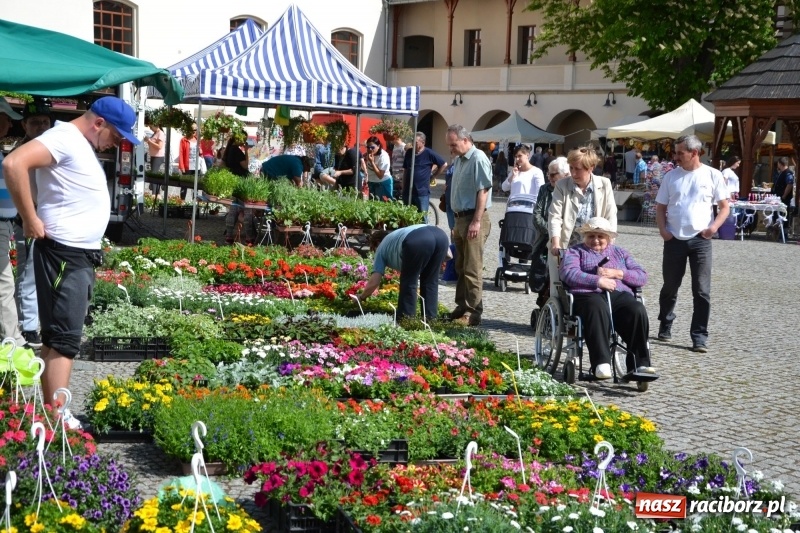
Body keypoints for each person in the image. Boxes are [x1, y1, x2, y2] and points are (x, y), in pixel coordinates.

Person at [4, 96, 140, 426]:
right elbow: (14, 164)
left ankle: (53, 415)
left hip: (74, 252)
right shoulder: (63, 137)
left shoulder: (73, 140)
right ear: (99, 124)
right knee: (64, 339)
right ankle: (58, 419)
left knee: (57, 337)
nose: (119, 142)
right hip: (65, 252)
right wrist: (30, 217)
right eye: (117, 135)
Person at [655, 134, 729, 353]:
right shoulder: (671, 177)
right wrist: (663, 231)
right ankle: (665, 322)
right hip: (674, 239)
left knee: (701, 290)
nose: (676, 157)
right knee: (670, 286)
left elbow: (724, 206)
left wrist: (713, 228)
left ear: (694, 153)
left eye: (680, 153)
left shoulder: (713, 175)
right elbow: (660, 207)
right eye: (676, 152)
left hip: (701, 240)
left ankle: (699, 336)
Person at [560, 217, 654, 379]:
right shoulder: (575, 252)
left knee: (636, 309)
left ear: (609, 238)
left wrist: (619, 273)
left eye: (600, 236)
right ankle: (601, 363)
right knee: (597, 307)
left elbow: (642, 276)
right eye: (591, 236)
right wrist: (597, 280)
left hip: (617, 294)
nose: (596, 240)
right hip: (587, 295)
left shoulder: (621, 253)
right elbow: (568, 273)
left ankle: (640, 363)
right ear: (584, 237)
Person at [548, 147, 617, 293]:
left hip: (595, 248)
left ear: (591, 168)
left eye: (578, 169)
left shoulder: (604, 185)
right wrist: (555, 242)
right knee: (561, 289)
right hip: (568, 248)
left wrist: (609, 244)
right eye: (571, 168)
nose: (573, 173)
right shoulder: (562, 185)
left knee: (596, 288)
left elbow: (611, 217)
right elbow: (555, 216)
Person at [13, 98, 52, 349]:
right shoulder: (22, 151)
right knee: (28, 272)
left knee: (43, 272)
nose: (41, 127)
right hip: (28, 218)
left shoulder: (49, 147)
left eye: (45, 122)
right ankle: (28, 327)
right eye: (35, 122)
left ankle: (33, 321)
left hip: (49, 218)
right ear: (25, 125)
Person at [446, 125, 492, 326]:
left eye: (453, 144)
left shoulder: (478, 158)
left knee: (472, 267)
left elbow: (483, 191)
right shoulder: (459, 160)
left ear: (466, 140)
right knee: (460, 265)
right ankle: (462, 305)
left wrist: (476, 221)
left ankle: (474, 312)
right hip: (460, 219)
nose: (451, 149)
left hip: (474, 218)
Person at [356, 224, 449, 320]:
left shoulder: (381, 248)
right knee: (430, 281)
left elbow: (375, 281)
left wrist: (361, 297)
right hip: (441, 236)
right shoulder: (396, 237)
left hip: (418, 240)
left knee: (409, 281)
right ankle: (431, 319)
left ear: (376, 243)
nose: (375, 252)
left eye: (373, 249)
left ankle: (406, 320)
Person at [0, 97, 29, 353]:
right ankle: (13, 341)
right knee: (3, 282)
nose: (9, 125)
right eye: (6, 118)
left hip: (4, 224)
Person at [531, 156, 569, 307]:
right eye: (548, 174)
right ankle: (543, 303)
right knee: (542, 273)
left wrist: (559, 235)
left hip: (565, 242)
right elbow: (536, 214)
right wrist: (552, 233)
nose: (550, 177)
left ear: (565, 175)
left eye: (553, 174)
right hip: (545, 240)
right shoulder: (544, 189)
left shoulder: (569, 190)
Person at [402, 132, 447, 215]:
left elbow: (443, 164)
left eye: (415, 142)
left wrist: (433, 176)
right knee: (407, 216)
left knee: (422, 217)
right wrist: (403, 185)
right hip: (408, 191)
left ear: (423, 143)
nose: (413, 143)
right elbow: (405, 169)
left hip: (421, 192)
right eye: (412, 141)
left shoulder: (429, 153)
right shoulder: (409, 152)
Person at [178, 124, 200, 200]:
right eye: (193, 130)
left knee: (195, 186)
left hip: (196, 166)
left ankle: (194, 202)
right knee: (184, 185)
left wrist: (201, 151)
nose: (194, 132)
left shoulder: (197, 140)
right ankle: (182, 201)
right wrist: (182, 166)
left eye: (196, 130)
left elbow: (200, 153)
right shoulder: (184, 140)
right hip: (187, 166)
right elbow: (181, 153)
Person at [143, 118, 165, 195]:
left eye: (151, 127)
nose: (150, 128)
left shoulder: (160, 133)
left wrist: (149, 141)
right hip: (154, 156)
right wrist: (148, 141)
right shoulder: (155, 133)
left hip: (158, 157)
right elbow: (152, 144)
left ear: (156, 125)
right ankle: (156, 193)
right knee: (154, 175)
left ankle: (154, 194)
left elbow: (159, 146)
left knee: (154, 176)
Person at [389, 135, 406, 200]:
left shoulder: (403, 147)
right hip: (395, 174)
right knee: (396, 194)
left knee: (401, 193)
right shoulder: (395, 147)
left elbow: (406, 162)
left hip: (401, 176)